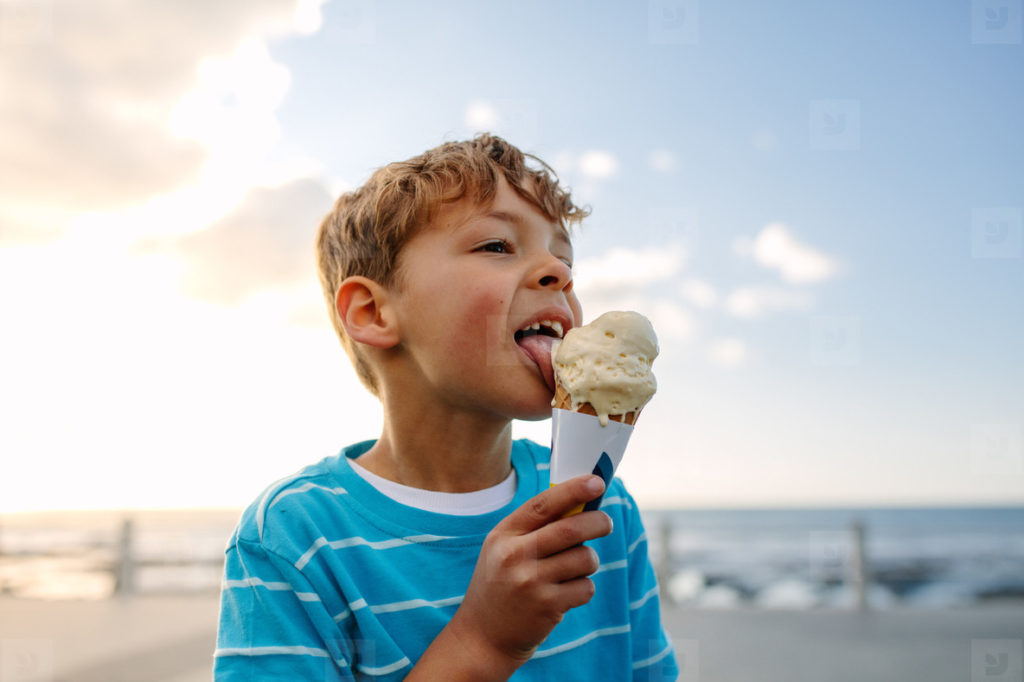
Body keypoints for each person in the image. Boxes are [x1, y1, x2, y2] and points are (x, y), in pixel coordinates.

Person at [214, 133, 678, 680]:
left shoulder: (606, 507)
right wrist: (485, 641)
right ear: (373, 312)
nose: (560, 273)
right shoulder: (294, 538)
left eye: (562, 255)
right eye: (498, 246)